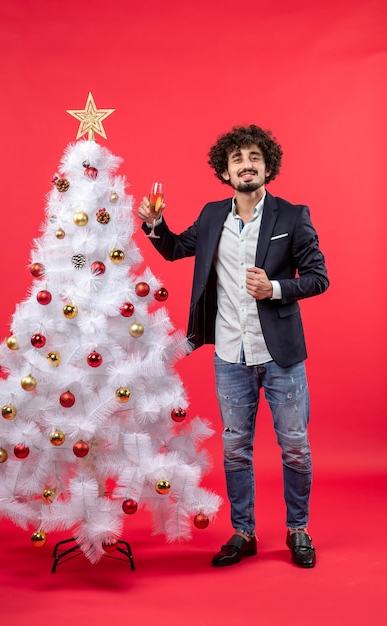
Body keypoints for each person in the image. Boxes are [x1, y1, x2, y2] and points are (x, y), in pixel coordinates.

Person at [137, 125, 329, 569]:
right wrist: (153, 222)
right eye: (237, 159)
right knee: (236, 447)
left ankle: (298, 529)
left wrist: (276, 288)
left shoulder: (292, 216)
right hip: (230, 357)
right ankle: (244, 532)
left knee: (295, 445)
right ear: (225, 170)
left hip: (281, 356)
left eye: (254, 158)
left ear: (267, 167)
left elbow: (319, 276)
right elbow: (173, 249)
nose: (246, 165)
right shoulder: (210, 217)